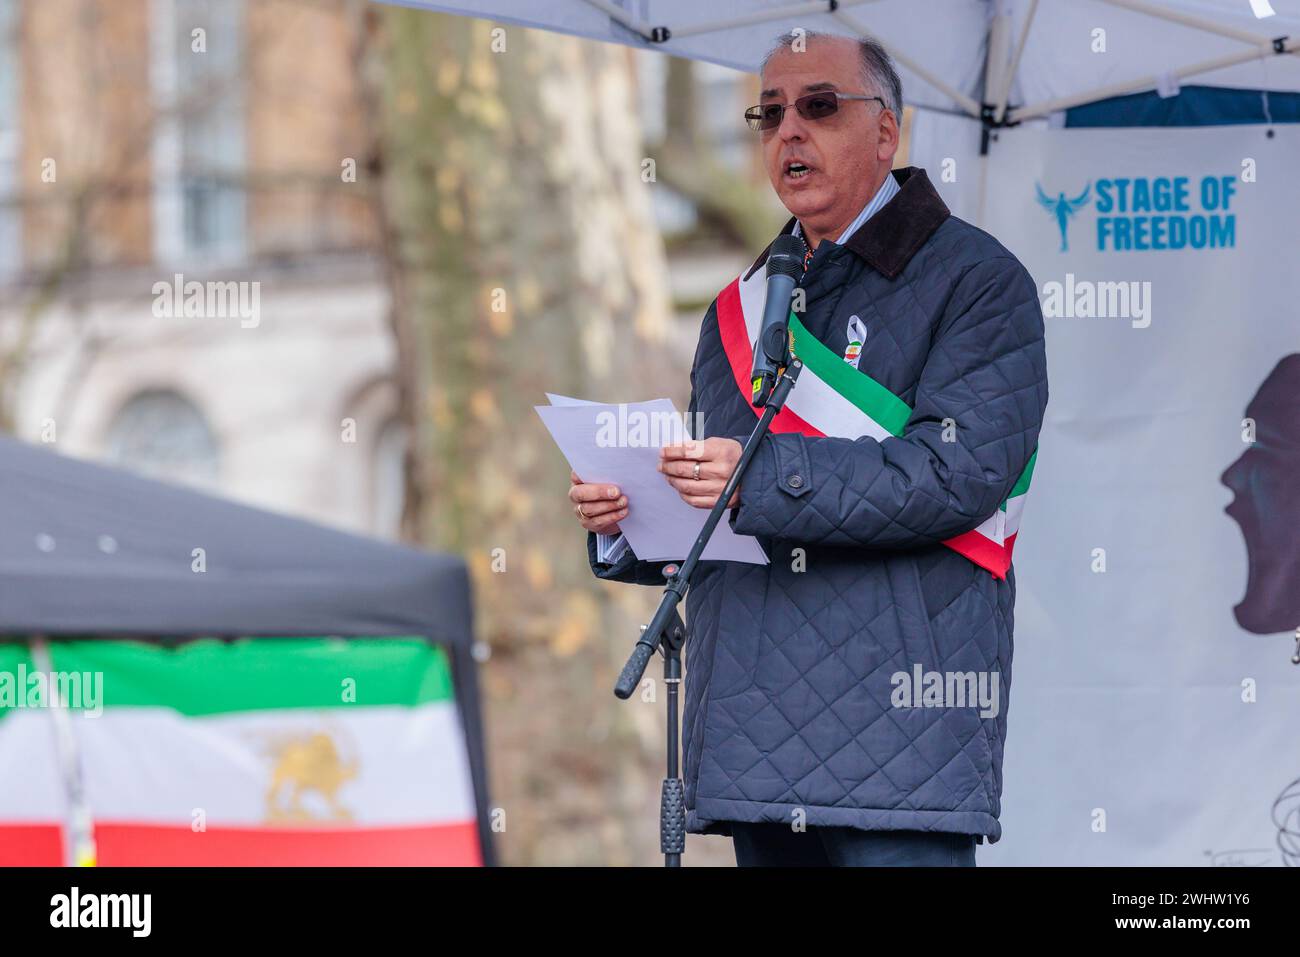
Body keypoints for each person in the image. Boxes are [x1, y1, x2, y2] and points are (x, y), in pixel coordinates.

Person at [569, 30, 1047, 866]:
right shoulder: (738, 310)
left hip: (900, 753)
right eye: (769, 113)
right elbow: (722, 520)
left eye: (819, 106)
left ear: (886, 132)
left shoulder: (978, 281)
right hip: (751, 741)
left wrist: (756, 479)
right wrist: (629, 516)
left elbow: (957, 474)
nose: (789, 130)